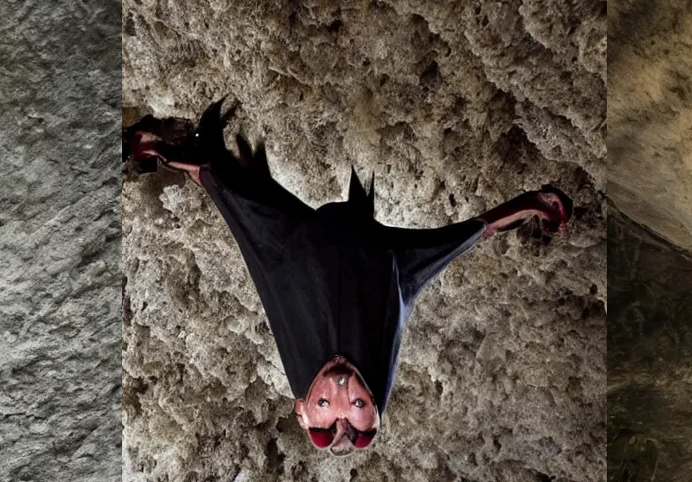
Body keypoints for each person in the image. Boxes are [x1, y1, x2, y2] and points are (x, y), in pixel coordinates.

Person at [125, 102, 571, 449]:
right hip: (373, 254)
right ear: (374, 401)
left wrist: (196, 170)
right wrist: (532, 205)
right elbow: (450, 249)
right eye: (357, 401)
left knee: (234, 197)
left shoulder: (298, 336)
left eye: (324, 402)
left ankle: (157, 146)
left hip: (300, 247)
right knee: (465, 237)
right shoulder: (389, 298)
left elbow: (254, 240)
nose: (340, 387)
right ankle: (539, 204)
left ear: (301, 408)